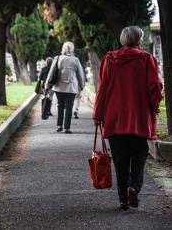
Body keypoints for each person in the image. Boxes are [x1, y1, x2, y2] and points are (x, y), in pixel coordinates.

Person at [92, 26, 163, 211]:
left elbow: (102, 89)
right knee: (139, 154)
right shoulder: (146, 58)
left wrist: (97, 114)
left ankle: (123, 199)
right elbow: (155, 85)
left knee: (120, 159)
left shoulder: (109, 59)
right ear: (138, 40)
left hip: (114, 118)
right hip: (138, 117)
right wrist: (154, 106)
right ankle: (134, 187)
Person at [45, 41, 84, 133]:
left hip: (59, 86)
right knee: (69, 106)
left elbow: (51, 72)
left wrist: (47, 84)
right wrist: (81, 85)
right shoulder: (75, 60)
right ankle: (67, 127)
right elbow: (80, 74)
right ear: (72, 49)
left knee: (60, 105)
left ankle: (59, 125)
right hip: (71, 87)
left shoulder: (57, 58)